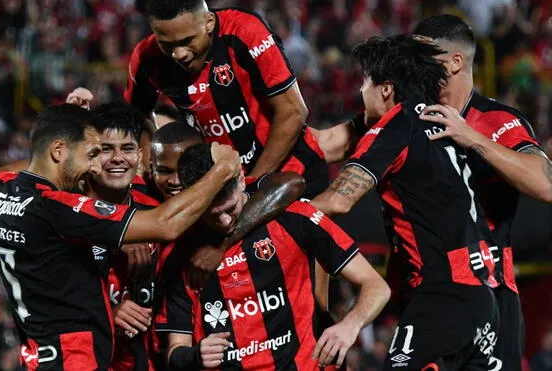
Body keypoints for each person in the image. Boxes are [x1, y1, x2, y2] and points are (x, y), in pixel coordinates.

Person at [0, 103, 241, 370]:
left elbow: (12, 168)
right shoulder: (59, 207)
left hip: (40, 353)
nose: (95, 165)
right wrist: (222, 169)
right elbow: (166, 224)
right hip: (73, 358)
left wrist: (66, 127)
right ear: (59, 151)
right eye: (92, 153)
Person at [310, 35, 499, 370]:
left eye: (365, 81)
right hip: (481, 298)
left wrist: (277, 220)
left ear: (385, 89)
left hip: (442, 295)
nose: (359, 92)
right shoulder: (438, 122)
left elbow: (338, 200)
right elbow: (323, 144)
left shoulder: (397, 123)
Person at [155, 143, 390, 370]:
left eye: (230, 209)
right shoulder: (180, 256)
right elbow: (176, 352)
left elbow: (376, 286)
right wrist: (195, 356)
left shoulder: (295, 218)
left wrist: (350, 325)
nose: (225, 222)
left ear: (240, 179)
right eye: (213, 215)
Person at [413, 15, 552, 371]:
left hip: (491, 290)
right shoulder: (409, 120)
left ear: (455, 62)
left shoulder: (498, 120)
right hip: (425, 291)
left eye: (424, 56)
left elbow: (545, 184)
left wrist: (471, 138)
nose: (415, 66)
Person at [124, 0, 327, 198]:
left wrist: (250, 186)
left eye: (187, 41)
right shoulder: (146, 57)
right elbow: (137, 116)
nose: (179, 54)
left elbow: (293, 111)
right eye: (166, 44)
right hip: (219, 187)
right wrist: (151, 160)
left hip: (291, 170)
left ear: (209, 22)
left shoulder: (244, 30)